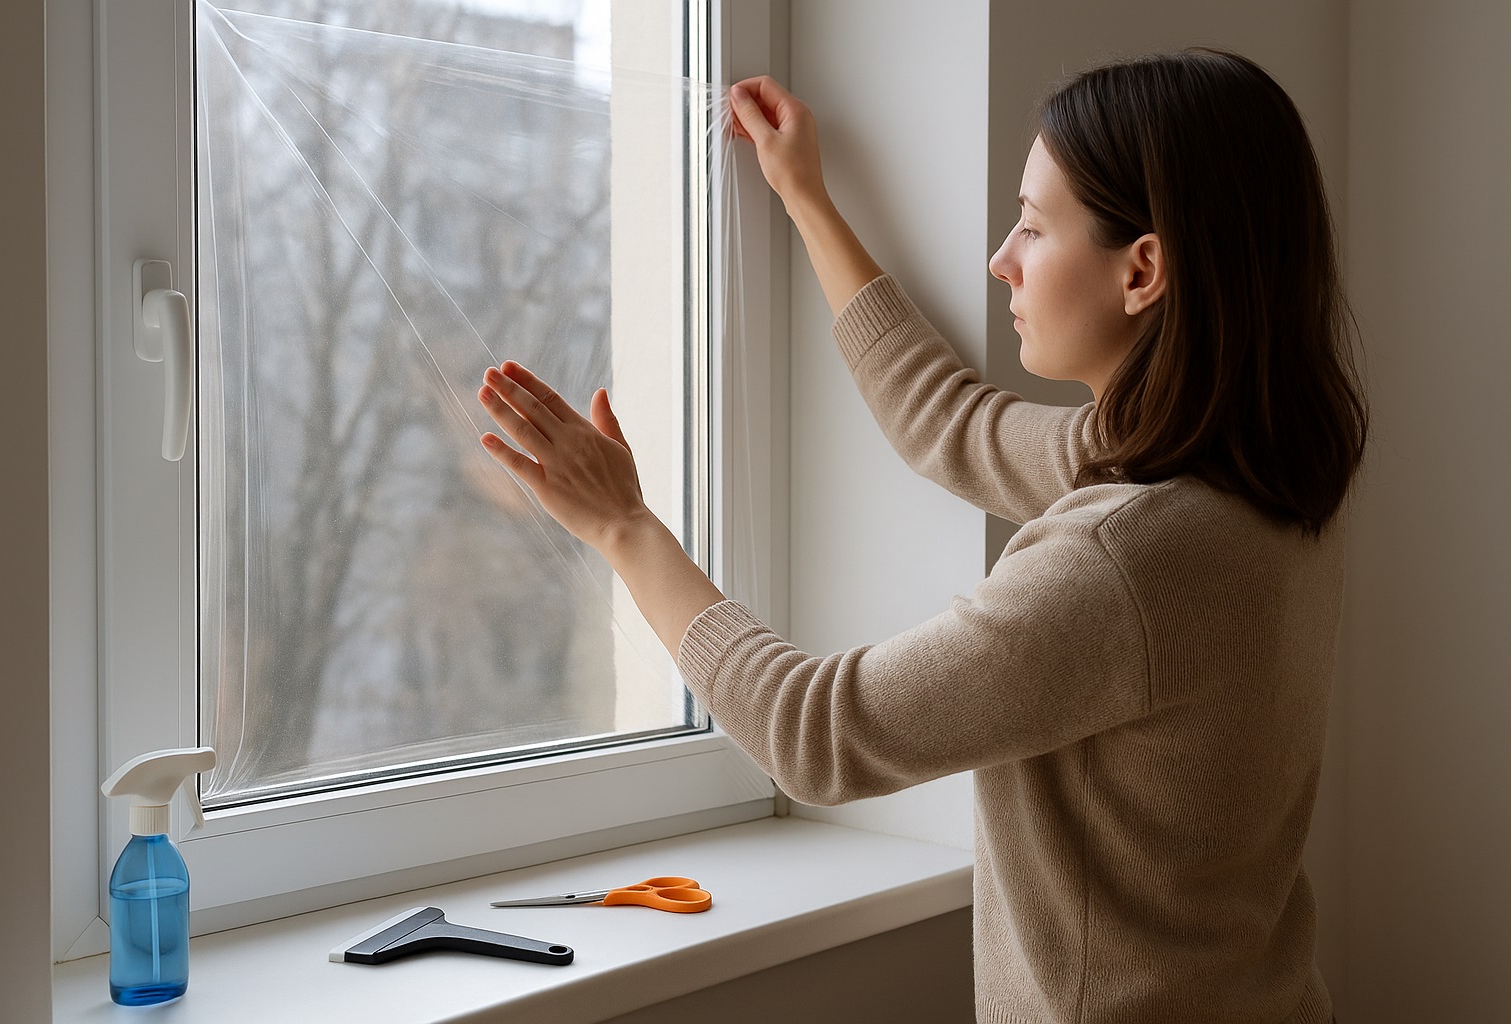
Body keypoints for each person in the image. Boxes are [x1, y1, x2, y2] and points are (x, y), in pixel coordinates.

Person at [476, 48, 1365, 1024]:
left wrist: (625, 527)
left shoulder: (1131, 555)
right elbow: (949, 424)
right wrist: (807, 199)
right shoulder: (1253, 476)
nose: (1001, 259)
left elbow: (816, 734)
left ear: (1142, 269)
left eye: (1032, 224)